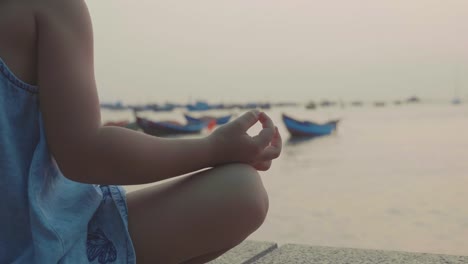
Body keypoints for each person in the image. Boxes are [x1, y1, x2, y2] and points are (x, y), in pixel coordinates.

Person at [0, 0, 282, 263]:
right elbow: (85, 154)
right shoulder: (48, 6)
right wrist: (216, 148)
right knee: (242, 190)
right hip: (47, 247)